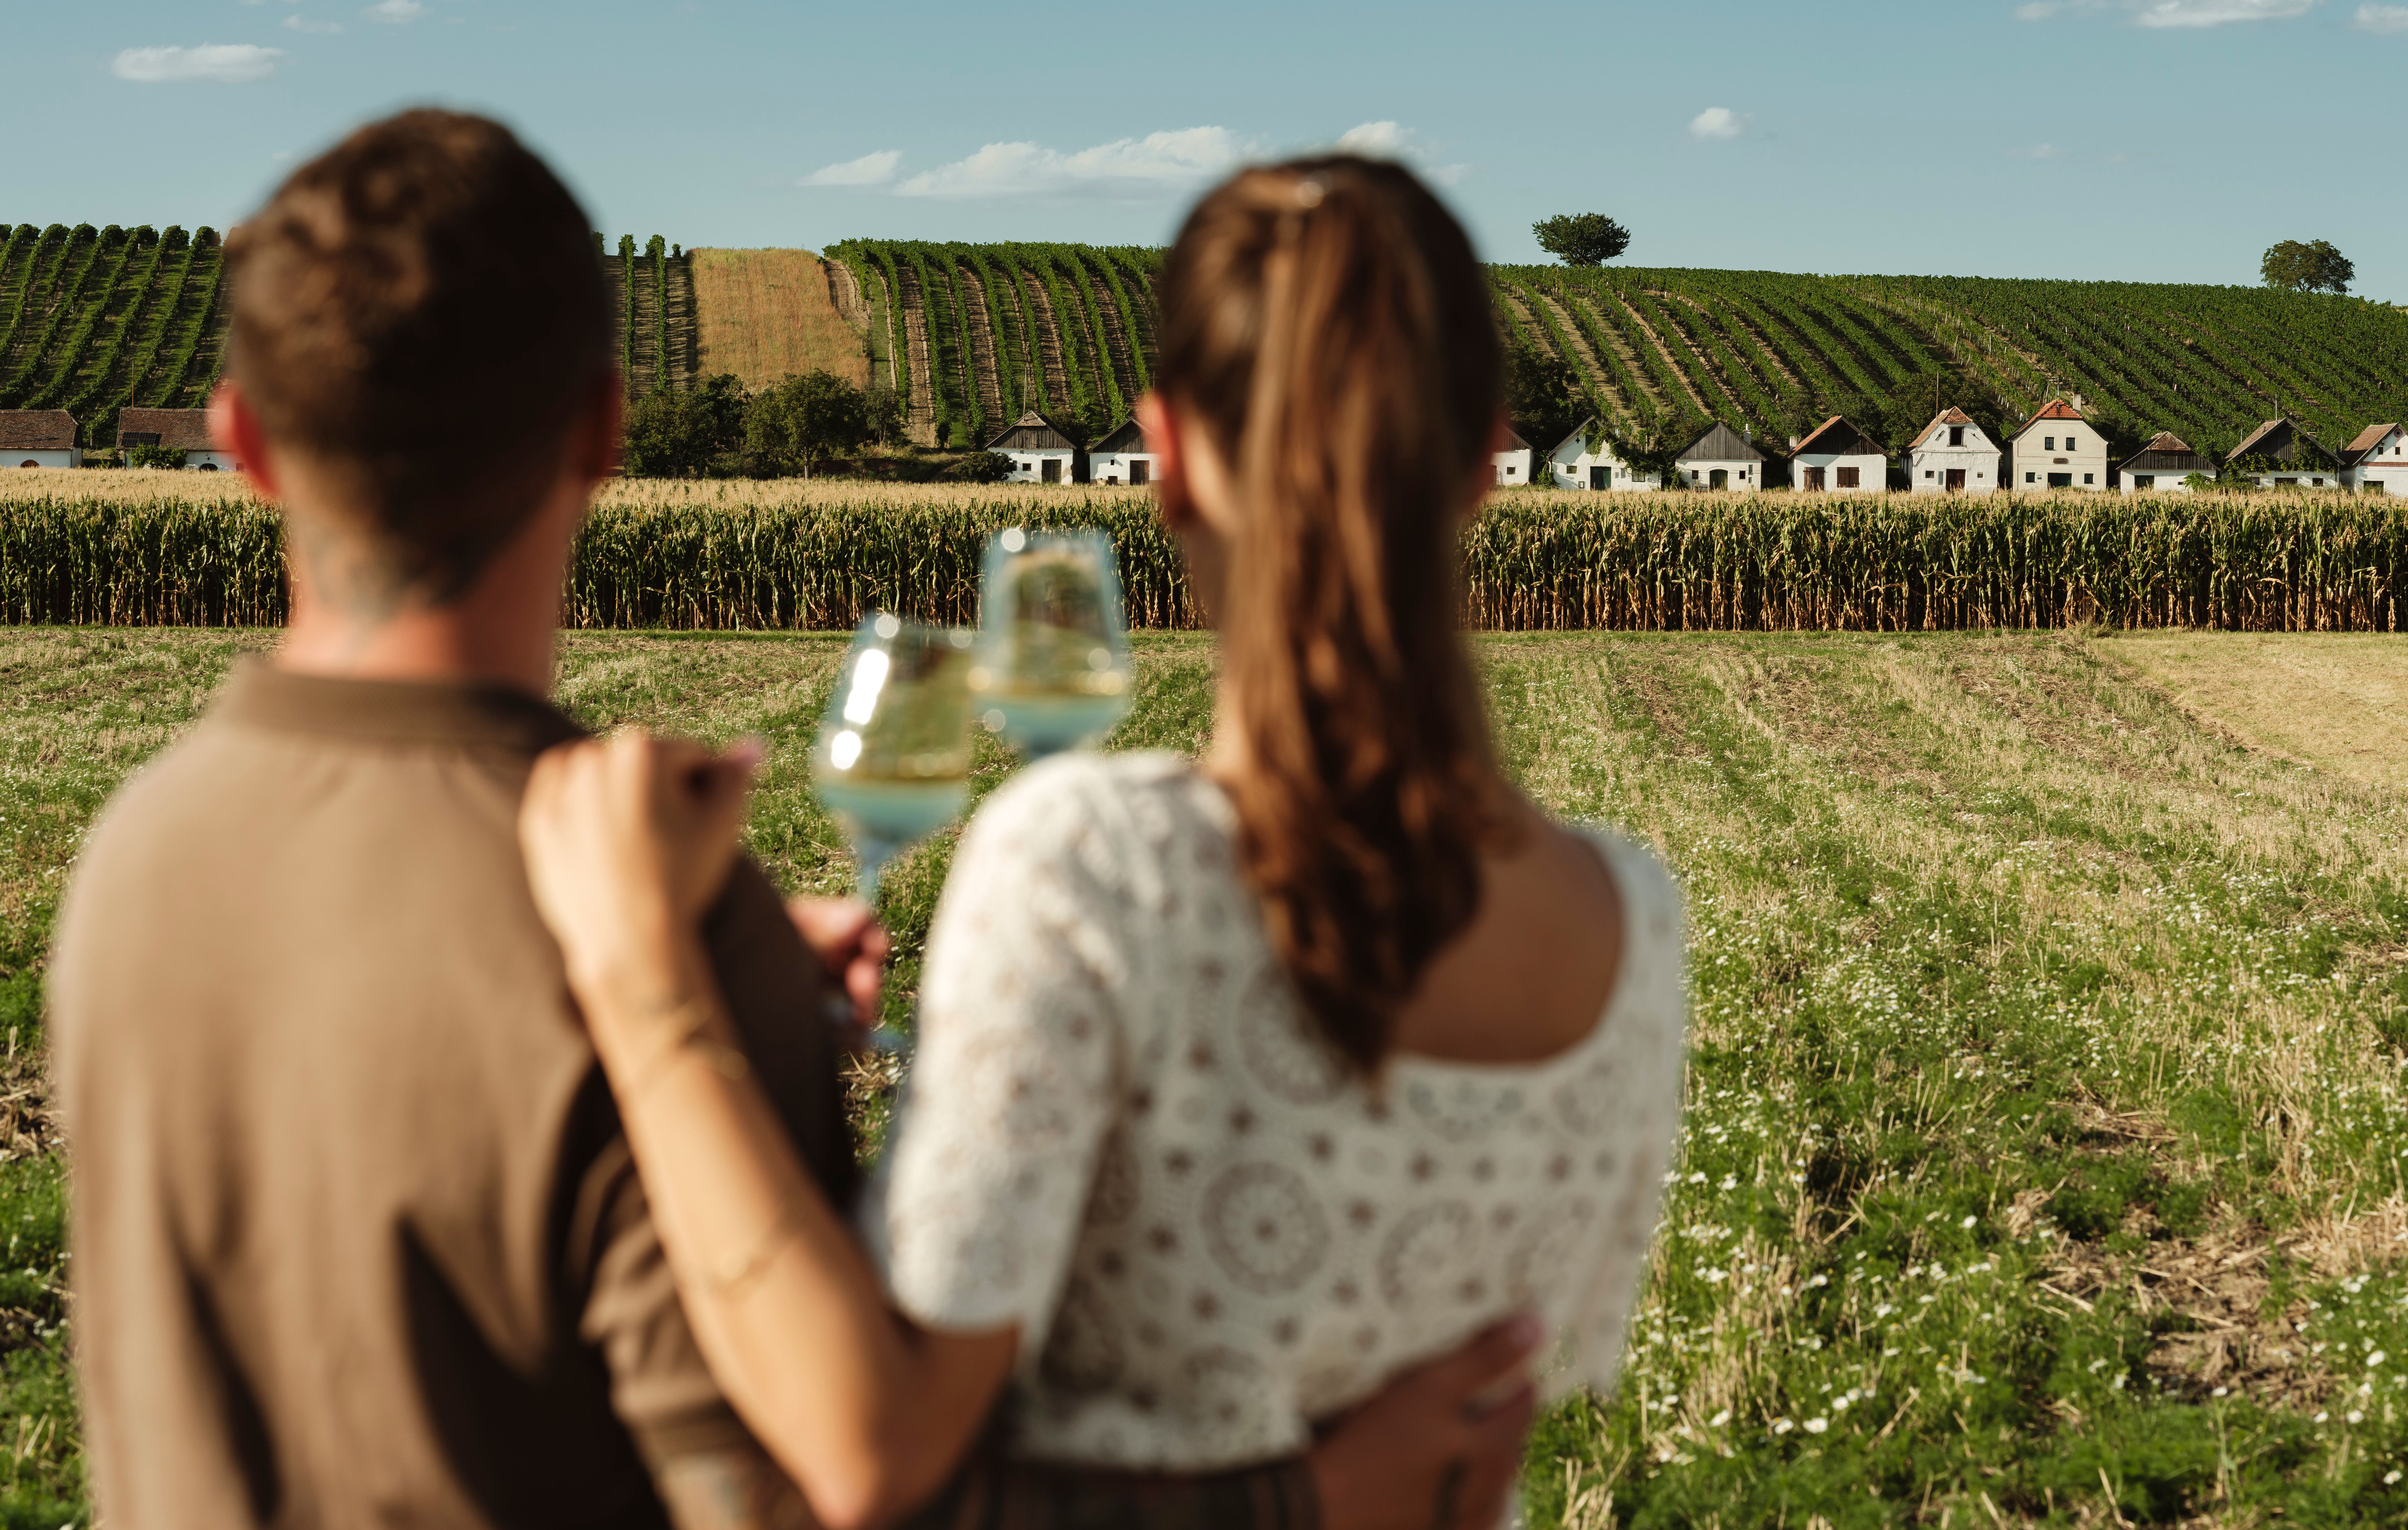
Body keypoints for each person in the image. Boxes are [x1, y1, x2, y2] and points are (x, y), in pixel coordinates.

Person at [49, 111, 1538, 1530]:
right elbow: (814, 1491)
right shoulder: (655, 913)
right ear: (604, 430)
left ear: (239, 440)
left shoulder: (128, 860)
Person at [520, 155, 1686, 1530]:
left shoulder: (1097, 865)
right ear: (1492, 460)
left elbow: (875, 1449)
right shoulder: (1631, 918)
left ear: (1169, 451)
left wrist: (642, 975)